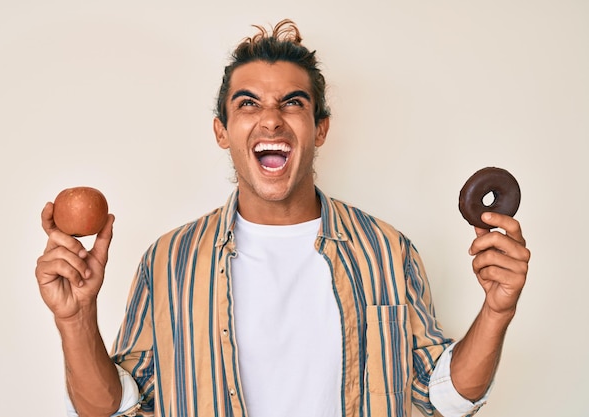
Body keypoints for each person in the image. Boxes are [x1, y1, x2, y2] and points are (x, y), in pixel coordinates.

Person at [35, 19, 530, 417]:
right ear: (222, 131)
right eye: (247, 104)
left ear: (320, 129)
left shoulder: (387, 251)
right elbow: (108, 408)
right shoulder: (168, 262)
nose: (270, 119)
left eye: (292, 103)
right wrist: (75, 319)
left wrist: (497, 312)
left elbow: (441, 397)